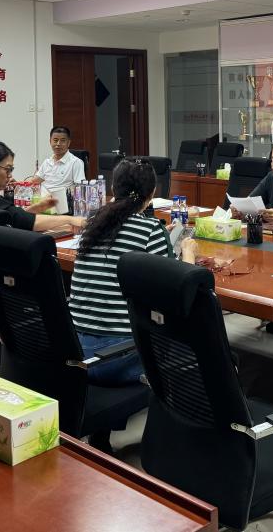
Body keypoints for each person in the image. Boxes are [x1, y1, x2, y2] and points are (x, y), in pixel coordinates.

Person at [69, 159, 197, 386]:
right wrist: (188, 253)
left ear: (113, 188)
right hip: (115, 359)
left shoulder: (93, 223)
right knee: (194, 343)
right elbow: (177, 294)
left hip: (74, 351)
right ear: (152, 194)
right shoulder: (150, 230)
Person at [0, 140, 84, 231]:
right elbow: (28, 223)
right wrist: (70, 220)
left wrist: (36, 208)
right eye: (7, 169)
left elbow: (10, 217)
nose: (10, 176)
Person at [30, 126, 86, 190]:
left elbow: (80, 188)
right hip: (43, 195)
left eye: (62, 141)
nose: (58, 144)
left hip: (62, 195)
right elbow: (34, 181)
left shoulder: (76, 162)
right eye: (55, 140)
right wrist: (20, 184)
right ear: (50, 142)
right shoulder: (47, 162)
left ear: (68, 143)